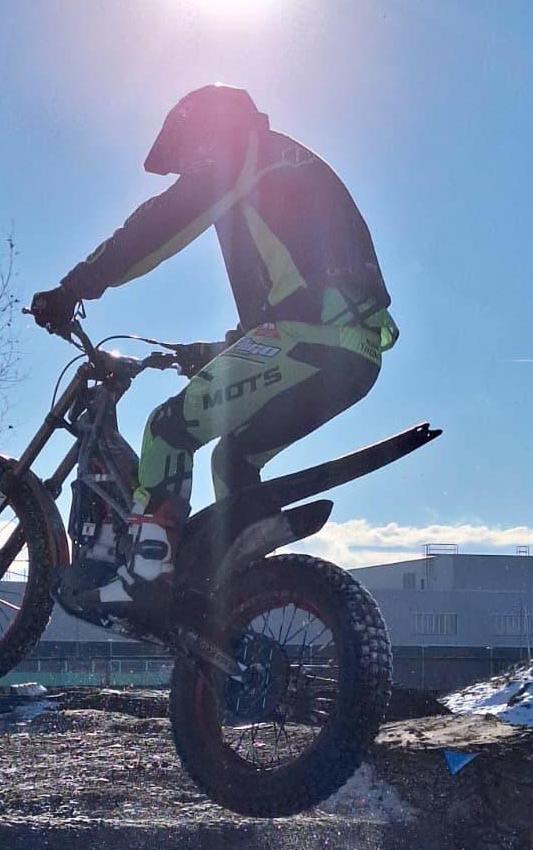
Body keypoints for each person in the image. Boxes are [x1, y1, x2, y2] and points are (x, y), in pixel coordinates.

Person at [31, 84, 398, 606]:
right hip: (352, 351)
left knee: (166, 430)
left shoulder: (237, 155)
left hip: (310, 336)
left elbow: (157, 226)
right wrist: (215, 352)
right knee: (232, 460)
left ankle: (145, 577)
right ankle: (242, 595)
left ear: (204, 131)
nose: (187, 170)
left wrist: (73, 288)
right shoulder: (279, 165)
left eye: (186, 155)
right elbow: (293, 286)